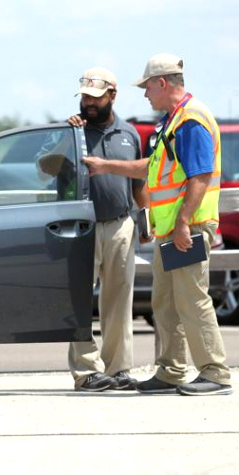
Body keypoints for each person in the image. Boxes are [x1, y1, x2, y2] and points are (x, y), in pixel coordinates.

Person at [83, 53, 233, 396]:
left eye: (148, 86)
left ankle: (215, 372)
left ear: (163, 83)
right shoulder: (175, 120)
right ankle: (171, 371)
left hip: (187, 230)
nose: (145, 94)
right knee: (165, 304)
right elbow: (152, 169)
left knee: (192, 301)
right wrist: (106, 166)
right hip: (172, 232)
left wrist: (182, 223)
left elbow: (199, 176)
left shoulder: (191, 120)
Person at [49, 67, 148, 392]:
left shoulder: (129, 134)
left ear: (112, 96)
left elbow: (139, 183)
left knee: (120, 300)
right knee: (78, 301)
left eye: (95, 98)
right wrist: (63, 138)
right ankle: (86, 371)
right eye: (84, 98)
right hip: (79, 230)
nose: (88, 104)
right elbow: (43, 169)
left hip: (120, 225)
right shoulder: (70, 131)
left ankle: (118, 369)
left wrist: (145, 220)